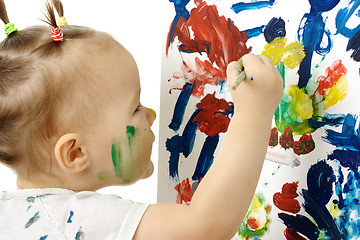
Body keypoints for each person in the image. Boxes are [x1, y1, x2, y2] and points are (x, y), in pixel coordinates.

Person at [0, 0, 283, 239]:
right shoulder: (76, 220)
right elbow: (206, 225)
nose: (151, 115)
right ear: (75, 153)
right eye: (134, 108)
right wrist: (254, 113)